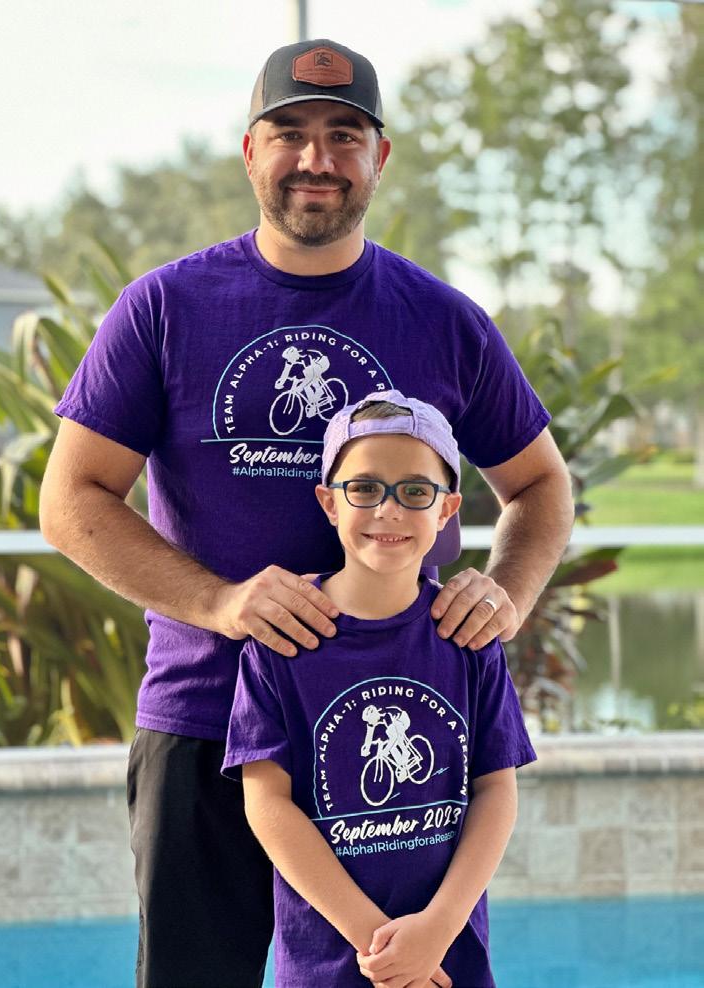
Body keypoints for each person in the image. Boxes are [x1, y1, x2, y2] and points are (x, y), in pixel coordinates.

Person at [39, 37, 572, 988]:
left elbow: (538, 485)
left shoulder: (444, 319)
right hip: (205, 718)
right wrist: (219, 603)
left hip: (397, 719)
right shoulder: (163, 308)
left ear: (379, 156)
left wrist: (506, 593)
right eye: (288, 132)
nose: (315, 158)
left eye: (343, 135)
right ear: (251, 151)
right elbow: (70, 500)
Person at [222, 391, 537, 987]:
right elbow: (267, 805)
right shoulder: (282, 641)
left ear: (446, 509)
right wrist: (379, 943)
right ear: (329, 502)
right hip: (330, 960)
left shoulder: (468, 639)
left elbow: (496, 790)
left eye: (415, 491)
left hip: (448, 957)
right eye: (364, 488)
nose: (388, 510)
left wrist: (437, 931)